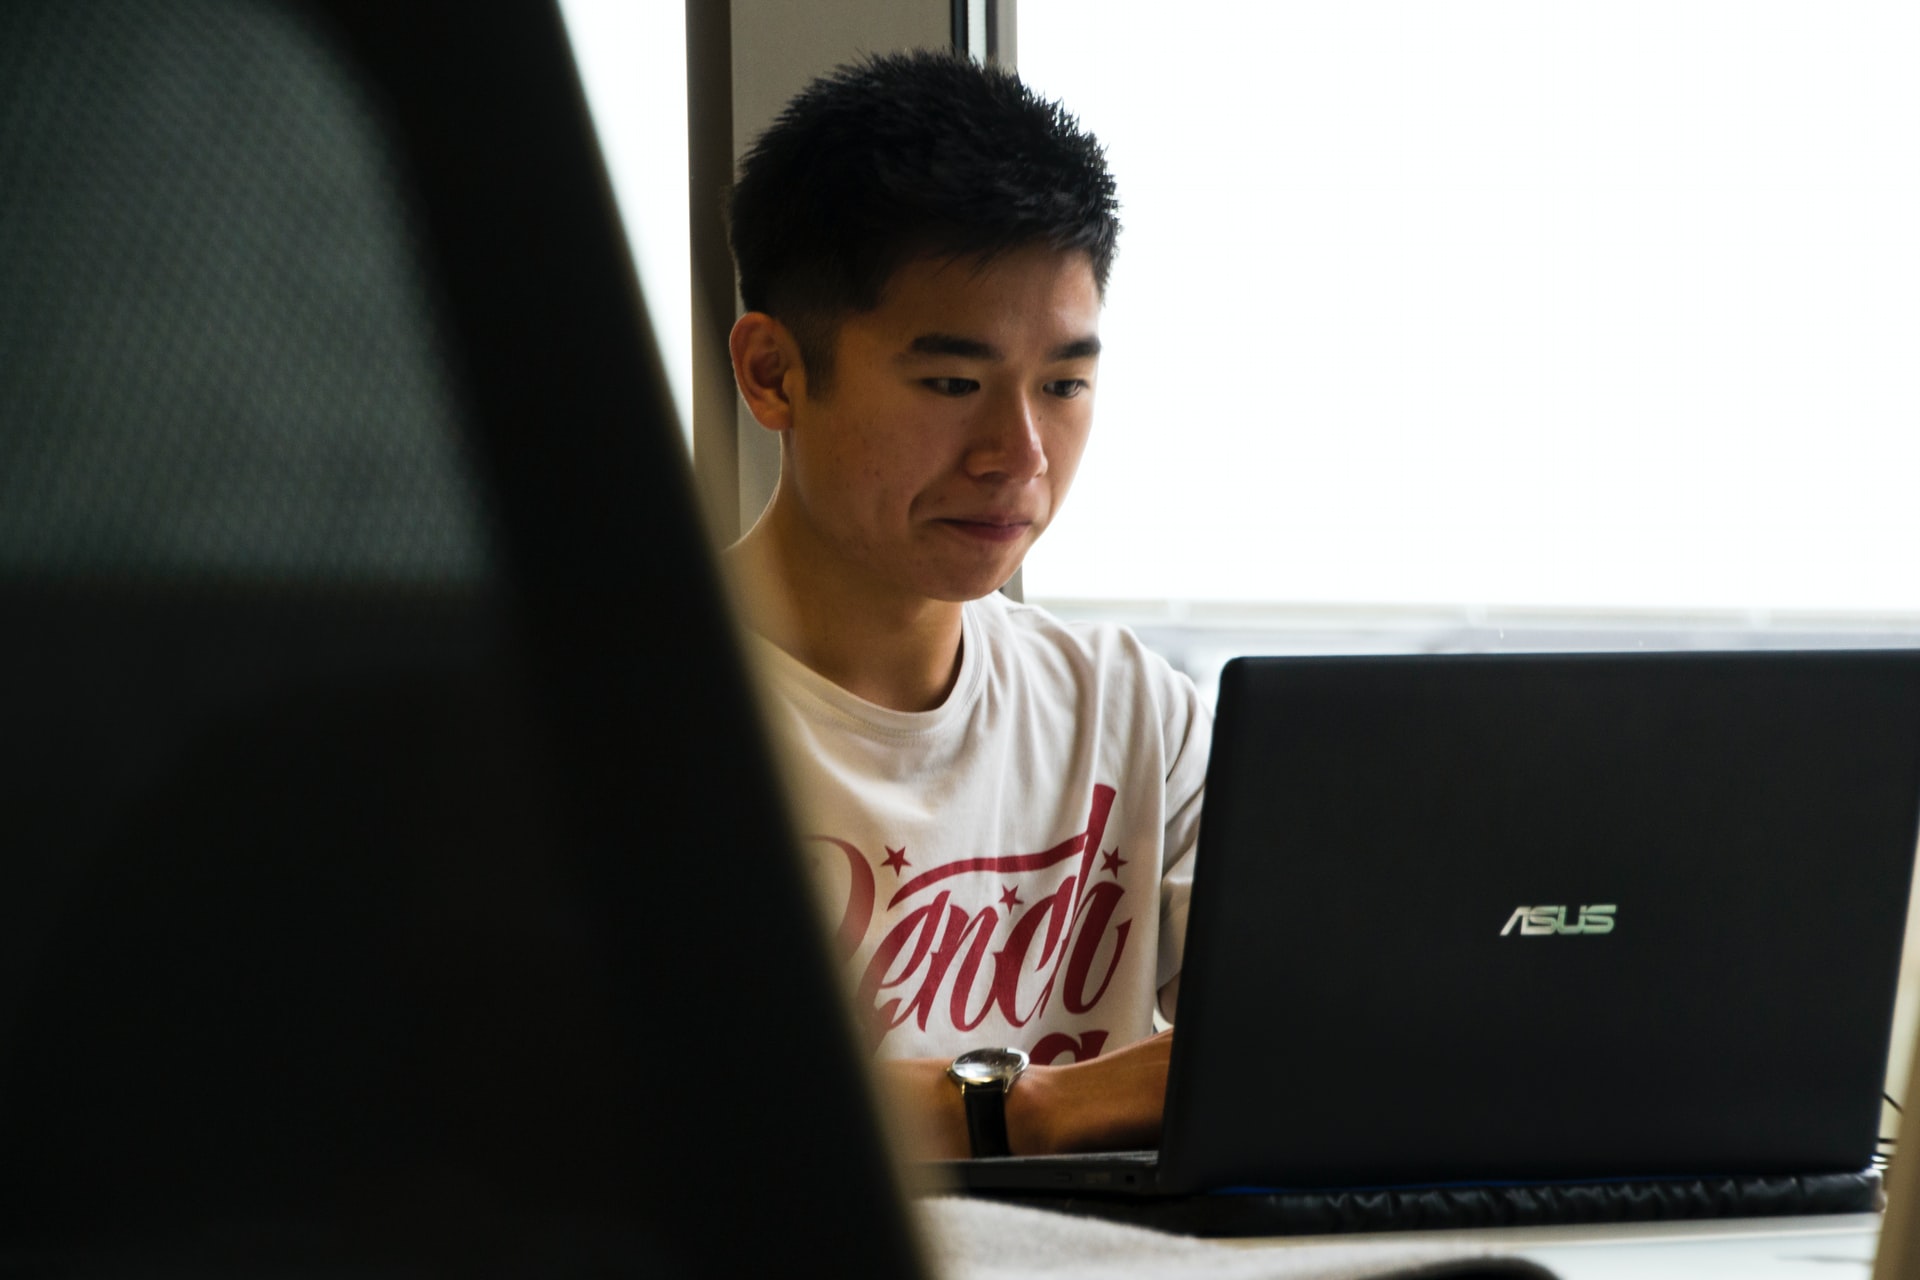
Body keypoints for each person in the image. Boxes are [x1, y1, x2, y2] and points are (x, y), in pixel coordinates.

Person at [723, 50, 1208, 1162]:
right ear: (773, 375)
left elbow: (1328, 1028)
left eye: (1065, 383)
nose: (1019, 455)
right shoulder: (594, 711)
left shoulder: (1134, 714)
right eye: (953, 383)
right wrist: (1023, 1108)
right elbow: (611, 1103)